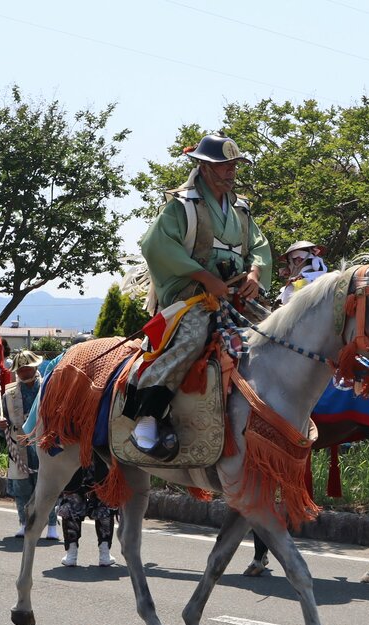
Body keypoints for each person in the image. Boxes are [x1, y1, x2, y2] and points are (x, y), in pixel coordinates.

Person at [126, 133, 273, 459]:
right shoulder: (182, 206)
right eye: (223, 166)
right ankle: (146, 419)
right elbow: (156, 246)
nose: (230, 172)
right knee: (192, 339)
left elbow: (260, 247)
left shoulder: (241, 209)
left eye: (234, 166)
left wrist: (254, 273)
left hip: (235, 297)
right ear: (204, 168)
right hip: (192, 298)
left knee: (277, 331)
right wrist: (204, 276)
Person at [0, 350, 59, 539]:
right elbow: (2, 426)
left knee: (47, 487)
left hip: (44, 442)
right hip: (19, 444)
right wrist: (1, 426)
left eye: (28, 368)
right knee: (21, 488)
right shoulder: (8, 393)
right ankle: (24, 523)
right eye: (21, 369)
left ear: (35, 366)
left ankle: (51, 526)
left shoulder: (49, 387)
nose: (25, 372)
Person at [57, 452, 118, 567]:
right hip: (101, 456)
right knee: (103, 505)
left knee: (72, 505)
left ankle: (71, 554)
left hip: (75, 457)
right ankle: (104, 554)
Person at [277, 240, 329, 305]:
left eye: (289, 262)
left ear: (299, 260)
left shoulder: (296, 283)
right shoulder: (326, 281)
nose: (288, 267)